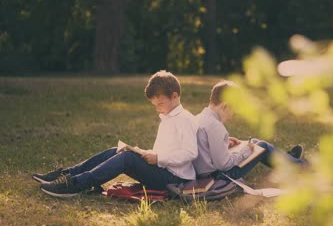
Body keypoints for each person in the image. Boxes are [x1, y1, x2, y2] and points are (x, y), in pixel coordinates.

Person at [33, 70, 199, 198]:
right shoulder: (169, 117)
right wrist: (147, 154)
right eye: (155, 105)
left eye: (160, 103)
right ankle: (68, 174)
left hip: (175, 181)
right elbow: (169, 149)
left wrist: (158, 158)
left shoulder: (185, 119)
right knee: (117, 151)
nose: (157, 108)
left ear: (175, 96)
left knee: (127, 158)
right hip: (163, 171)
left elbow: (190, 153)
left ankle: (77, 184)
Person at [192, 80, 305, 180]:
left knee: (255, 142)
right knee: (261, 147)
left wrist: (224, 143)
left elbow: (206, 147)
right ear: (225, 106)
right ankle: (303, 167)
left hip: (205, 172)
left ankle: (288, 160)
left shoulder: (199, 118)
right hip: (219, 176)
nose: (232, 117)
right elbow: (224, 165)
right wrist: (245, 151)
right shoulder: (216, 126)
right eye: (234, 111)